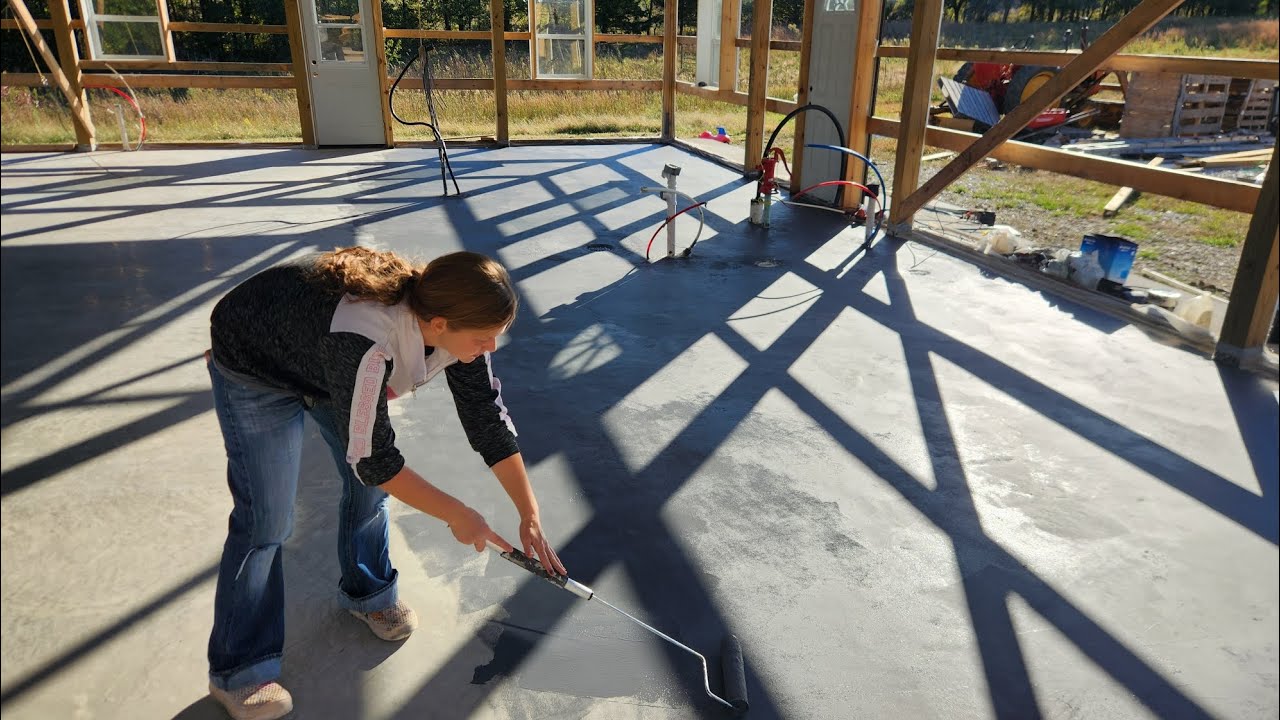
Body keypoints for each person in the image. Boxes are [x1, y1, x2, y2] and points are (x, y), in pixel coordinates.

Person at [203, 247, 565, 720]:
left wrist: (528, 511)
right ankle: (239, 672)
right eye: (485, 337)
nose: (492, 347)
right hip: (256, 363)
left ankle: (368, 594)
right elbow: (375, 459)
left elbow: (487, 421)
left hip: (322, 360)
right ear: (438, 324)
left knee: (368, 494)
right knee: (266, 520)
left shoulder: (458, 328)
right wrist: (459, 514)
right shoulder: (366, 341)